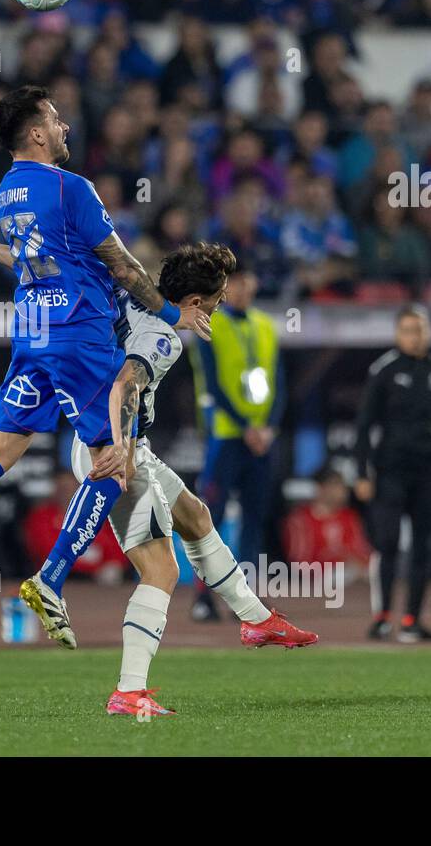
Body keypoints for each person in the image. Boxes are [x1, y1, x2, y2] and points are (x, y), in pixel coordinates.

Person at [0, 85, 211, 648]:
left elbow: (37, 256)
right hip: (81, 336)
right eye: (56, 120)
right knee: (116, 458)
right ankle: (51, 576)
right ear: (36, 132)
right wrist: (170, 311)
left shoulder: (8, 191)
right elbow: (123, 265)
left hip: (32, 330)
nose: (64, 128)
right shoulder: (72, 187)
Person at [75, 243, 317, 715]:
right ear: (194, 303)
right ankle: (128, 691)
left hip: (122, 444)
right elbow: (124, 384)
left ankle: (256, 619)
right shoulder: (163, 338)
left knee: (196, 515)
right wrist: (121, 450)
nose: (222, 304)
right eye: (218, 297)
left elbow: (118, 265)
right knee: (161, 570)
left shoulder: (131, 295)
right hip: (115, 449)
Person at [354, 304, 431, 643]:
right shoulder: (384, 370)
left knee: (423, 546)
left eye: (420, 330)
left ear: (429, 333)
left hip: (429, 471)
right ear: (397, 334)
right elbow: (364, 426)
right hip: (390, 470)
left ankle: (412, 619)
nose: (415, 337)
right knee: (386, 543)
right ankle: (383, 617)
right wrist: (362, 472)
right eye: (408, 331)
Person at [188, 260, 284, 619]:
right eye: (235, 283)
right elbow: (213, 385)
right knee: (206, 518)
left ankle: (243, 599)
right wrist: (247, 426)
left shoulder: (265, 325)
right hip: (226, 435)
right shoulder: (211, 324)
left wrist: (269, 426)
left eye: (247, 280)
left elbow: (279, 382)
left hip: (260, 438)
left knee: (254, 519)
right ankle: (203, 597)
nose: (243, 288)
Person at [282, 466, 371, 580]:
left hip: (353, 575)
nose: (342, 491)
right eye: (336, 485)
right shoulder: (300, 520)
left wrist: (356, 562)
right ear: (320, 488)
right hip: (317, 580)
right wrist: (335, 563)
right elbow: (299, 561)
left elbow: (362, 550)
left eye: (343, 486)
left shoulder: (349, 516)